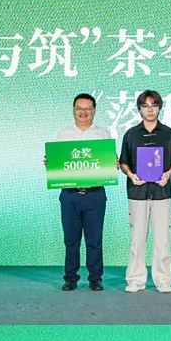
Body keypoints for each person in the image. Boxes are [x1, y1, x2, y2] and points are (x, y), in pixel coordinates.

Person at [119, 90, 171, 293]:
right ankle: (135, 280)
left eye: (153, 105)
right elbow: (124, 162)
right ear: (139, 109)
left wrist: (168, 174)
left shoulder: (169, 134)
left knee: (162, 240)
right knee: (137, 239)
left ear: (159, 108)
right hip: (137, 193)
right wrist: (131, 175)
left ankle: (163, 280)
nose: (150, 110)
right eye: (145, 106)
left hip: (162, 192)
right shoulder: (131, 134)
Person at [54, 93, 110, 291]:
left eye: (88, 108)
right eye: (80, 108)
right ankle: (70, 278)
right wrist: (51, 163)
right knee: (71, 239)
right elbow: (59, 163)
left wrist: (113, 163)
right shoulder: (64, 134)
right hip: (70, 195)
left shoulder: (103, 134)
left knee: (94, 239)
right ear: (74, 110)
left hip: (95, 194)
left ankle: (95, 278)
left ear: (94, 111)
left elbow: (107, 161)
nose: (83, 112)